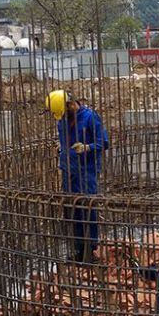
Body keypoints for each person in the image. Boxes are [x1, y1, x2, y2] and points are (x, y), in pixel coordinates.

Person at [47, 89, 109, 263]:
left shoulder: (90, 117)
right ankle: (78, 249)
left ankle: (90, 248)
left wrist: (87, 147)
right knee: (72, 210)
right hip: (68, 170)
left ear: (70, 104)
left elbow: (103, 142)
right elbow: (65, 139)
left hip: (86, 170)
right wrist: (61, 148)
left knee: (87, 208)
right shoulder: (63, 119)